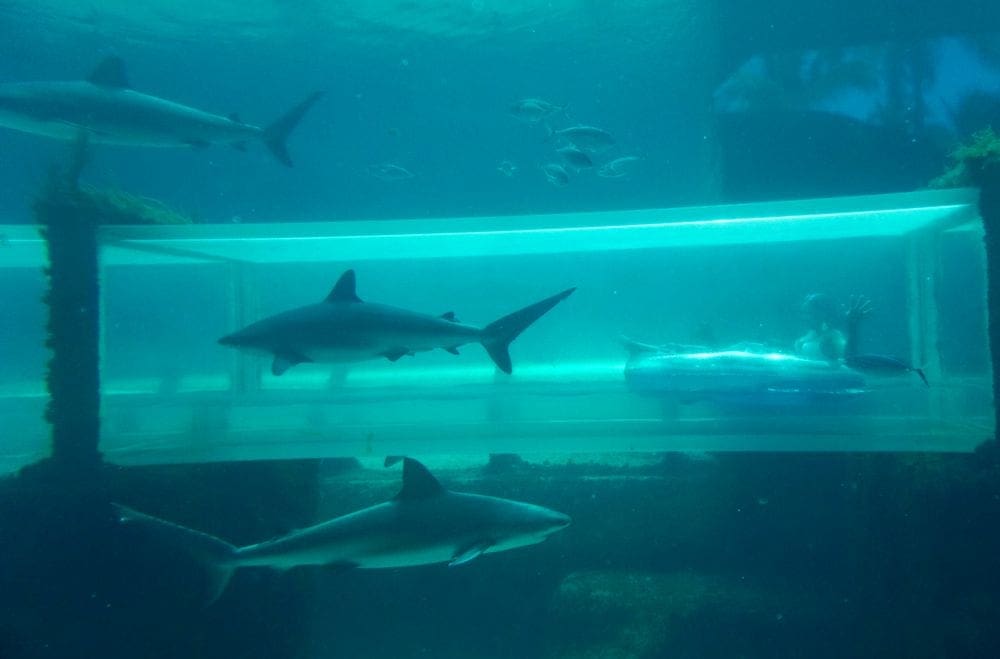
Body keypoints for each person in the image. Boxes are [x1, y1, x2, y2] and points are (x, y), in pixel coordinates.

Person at [794, 293, 872, 362]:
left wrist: (853, 327)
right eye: (803, 313)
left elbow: (850, 361)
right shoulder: (811, 333)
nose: (803, 317)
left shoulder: (832, 338)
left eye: (808, 313)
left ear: (823, 314)